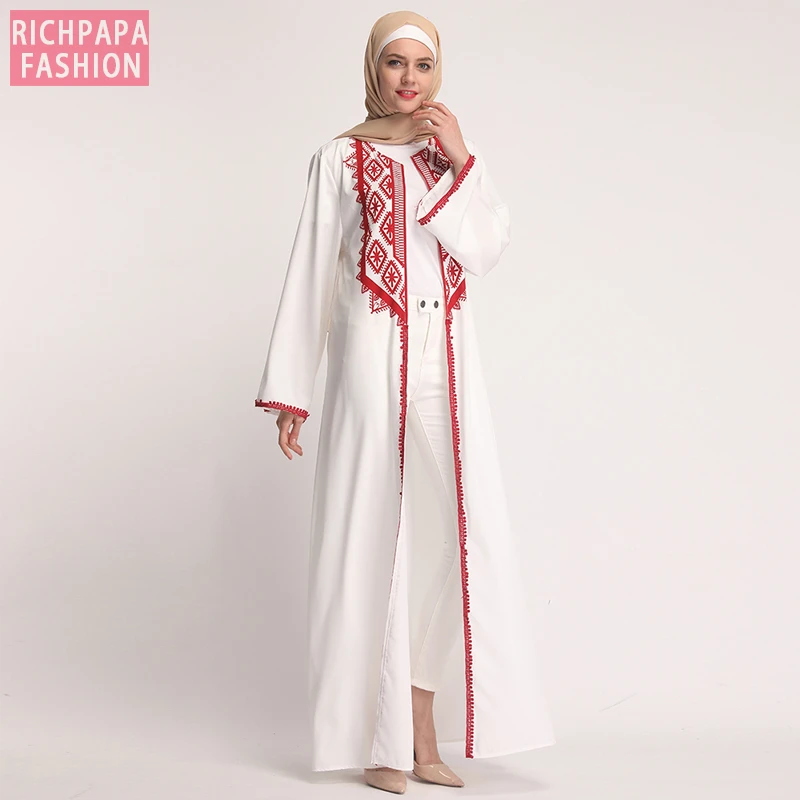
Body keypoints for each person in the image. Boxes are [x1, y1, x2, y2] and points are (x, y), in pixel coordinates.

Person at [254, 10, 555, 794]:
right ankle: (382, 742)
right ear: (373, 70)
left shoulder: (449, 156)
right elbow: (311, 267)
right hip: (369, 352)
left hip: (446, 358)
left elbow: (484, 248)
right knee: (372, 533)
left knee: (458, 533)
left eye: (423, 65)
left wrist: (459, 159)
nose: (409, 80)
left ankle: (422, 726)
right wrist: (292, 391)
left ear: (437, 73)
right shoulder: (338, 157)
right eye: (395, 64)